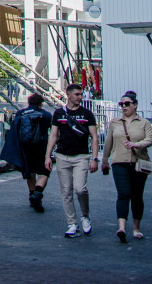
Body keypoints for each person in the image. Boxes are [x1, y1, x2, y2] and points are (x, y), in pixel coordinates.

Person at [46, 80, 99, 236]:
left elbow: (94, 137)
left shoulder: (87, 114)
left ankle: (85, 215)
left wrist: (94, 158)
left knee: (80, 188)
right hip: (62, 155)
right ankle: (72, 223)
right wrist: (48, 156)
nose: (80, 97)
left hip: (81, 156)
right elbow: (53, 135)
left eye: (81, 94)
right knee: (66, 191)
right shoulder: (58, 113)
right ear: (68, 95)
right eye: (77, 94)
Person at [101, 91, 152, 242]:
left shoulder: (144, 123)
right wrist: (104, 160)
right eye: (121, 104)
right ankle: (121, 228)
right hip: (119, 162)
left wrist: (136, 144)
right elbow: (109, 142)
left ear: (135, 105)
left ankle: (136, 228)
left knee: (137, 196)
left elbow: (150, 140)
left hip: (139, 163)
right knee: (123, 194)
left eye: (127, 104)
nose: (123, 106)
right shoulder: (115, 122)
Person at [1, 91, 54, 211]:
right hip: (42, 148)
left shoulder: (21, 113)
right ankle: (37, 194)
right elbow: (54, 132)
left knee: (30, 172)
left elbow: (14, 129)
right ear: (41, 104)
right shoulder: (46, 115)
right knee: (44, 173)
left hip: (25, 148)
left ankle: (32, 195)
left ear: (29, 102)